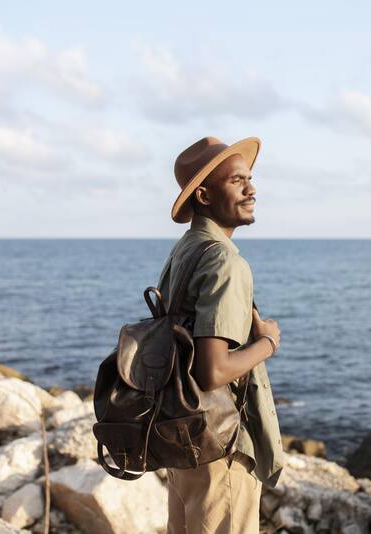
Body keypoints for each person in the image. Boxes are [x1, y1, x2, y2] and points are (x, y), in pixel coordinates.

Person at [157, 136, 285, 534]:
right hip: (220, 446)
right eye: (237, 181)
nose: (252, 189)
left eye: (250, 178)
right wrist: (267, 343)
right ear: (204, 195)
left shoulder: (184, 251)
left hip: (183, 436)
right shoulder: (223, 259)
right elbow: (212, 371)